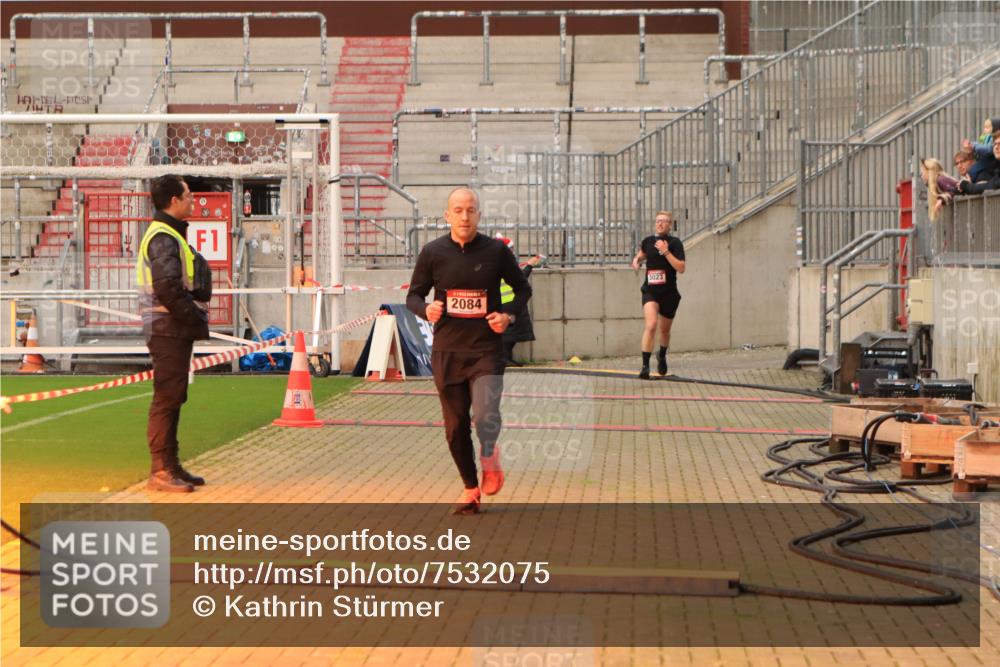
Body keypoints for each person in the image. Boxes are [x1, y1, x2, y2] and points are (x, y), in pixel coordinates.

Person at [407, 188, 531, 514]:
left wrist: (508, 315)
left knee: (486, 414)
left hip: (485, 350)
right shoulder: (433, 253)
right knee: (455, 426)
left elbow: (523, 288)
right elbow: (413, 297)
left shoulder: (495, 252)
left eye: (470, 210)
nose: (465, 216)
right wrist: (426, 310)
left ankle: (489, 452)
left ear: (479, 214)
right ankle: (470, 488)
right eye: (458, 210)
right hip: (448, 351)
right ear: (447, 216)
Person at [136, 175, 213, 492]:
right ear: (173, 201)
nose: (193, 200)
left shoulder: (168, 234)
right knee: (167, 398)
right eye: (189, 195)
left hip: (169, 325)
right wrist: (193, 317)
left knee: (174, 395)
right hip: (166, 326)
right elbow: (167, 287)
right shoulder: (163, 237)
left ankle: (171, 465)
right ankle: (160, 471)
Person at [630, 210, 686, 379]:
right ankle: (645, 366)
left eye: (664, 221)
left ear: (670, 225)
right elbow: (641, 254)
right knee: (651, 324)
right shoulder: (648, 241)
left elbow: (681, 268)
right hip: (651, 292)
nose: (660, 223)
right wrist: (636, 261)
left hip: (669, 293)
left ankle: (661, 355)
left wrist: (666, 251)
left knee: (664, 331)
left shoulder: (675, 243)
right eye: (658, 221)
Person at [496, 234, 543, 367]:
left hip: (509, 302)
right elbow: (520, 279)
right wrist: (529, 266)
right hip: (508, 302)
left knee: (511, 333)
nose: (513, 252)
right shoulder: (502, 264)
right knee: (508, 334)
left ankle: (507, 358)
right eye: (511, 249)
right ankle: (504, 359)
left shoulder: (500, 262)